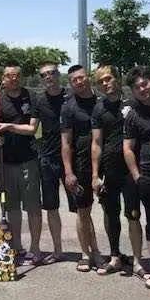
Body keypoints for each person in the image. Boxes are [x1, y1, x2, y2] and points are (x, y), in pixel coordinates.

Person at [91, 65, 143, 276]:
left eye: (108, 78)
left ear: (117, 78)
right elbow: (96, 143)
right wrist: (95, 175)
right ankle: (115, 257)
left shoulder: (133, 103)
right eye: (101, 81)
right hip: (109, 170)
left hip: (131, 170)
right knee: (110, 214)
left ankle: (138, 261)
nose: (105, 83)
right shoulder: (99, 109)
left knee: (133, 215)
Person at [0, 62, 43, 265]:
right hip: (5, 161)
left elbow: (32, 129)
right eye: (9, 75)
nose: (13, 78)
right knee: (11, 207)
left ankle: (35, 248)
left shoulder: (31, 97)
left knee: (32, 207)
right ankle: (15, 247)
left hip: (28, 160)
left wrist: (9, 127)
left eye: (17, 75)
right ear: (3, 78)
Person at [123, 66, 150, 288]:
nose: (142, 89)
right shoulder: (133, 114)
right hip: (144, 176)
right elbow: (128, 148)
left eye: (145, 83)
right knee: (147, 220)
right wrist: (137, 176)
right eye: (137, 87)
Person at [61, 64, 103, 272]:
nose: (79, 82)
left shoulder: (101, 101)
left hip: (105, 163)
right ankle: (87, 253)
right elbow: (66, 142)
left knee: (110, 211)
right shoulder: (68, 107)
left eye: (81, 77)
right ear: (70, 83)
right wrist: (69, 172)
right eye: (74, 80)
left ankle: (111, 253)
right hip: (81, 165)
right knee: (83, 211)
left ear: (88, 77)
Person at [30, 62, 67, 263]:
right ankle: (58, 250)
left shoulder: (70, 97)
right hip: (48, 159)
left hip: (72, 159)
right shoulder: (39, 100)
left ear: (58, 74)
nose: (48, 77)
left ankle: (89, 253)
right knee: (52, 207)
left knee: (82, 208)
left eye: (52, 73)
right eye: (44, 75)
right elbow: (31, 128)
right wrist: (6, 127)